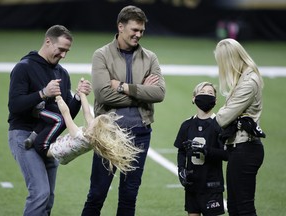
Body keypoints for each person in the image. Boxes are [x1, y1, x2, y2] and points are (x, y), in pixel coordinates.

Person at [81, 5, 166, 216]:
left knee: (129, 195)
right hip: (108, 133)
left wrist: (123, 86)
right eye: (134, 30)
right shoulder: (101, 55)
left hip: (140, 133)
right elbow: (103, 95)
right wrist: (142, 92)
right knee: (97, 194)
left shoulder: (150, 57)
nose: (139, 35)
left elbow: (159, 93)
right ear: (121, 27)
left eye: (142, 31)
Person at [8, 25, 92, 216]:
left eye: (67, 51)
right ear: (48, 41)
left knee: (48, 198)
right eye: (61, 49)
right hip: (23, 135)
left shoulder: (61, 73)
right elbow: (14, 106)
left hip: (48, 139)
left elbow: (66, 114)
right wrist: (43, 93)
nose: (63, 55)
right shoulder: (24, 67)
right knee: (40, 193)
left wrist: (78, 97)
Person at [214, 38, 265, 216]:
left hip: (245, 148)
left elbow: (224, 116)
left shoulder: (248, 82)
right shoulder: (244, 79)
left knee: (243, 208)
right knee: (235, 207)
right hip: (239, 148)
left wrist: (204, 120)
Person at [47, 93, 143, 173]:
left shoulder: (79, 136)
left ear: (95, 129)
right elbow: (87, 113)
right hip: (63, 156)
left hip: (52, 151)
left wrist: (59, 98)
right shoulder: (92, 137)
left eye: (94, 121)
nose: (91, 121)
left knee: (39, 141)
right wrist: (82, 94)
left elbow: (66, 113)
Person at [174, 82, 228, 216]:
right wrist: (181, 169)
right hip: (192, 184)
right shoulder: (187, 125)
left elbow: (227, 154)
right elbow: (181, 150)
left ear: (215, 100)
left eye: (210, 93)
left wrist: (206, 150)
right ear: (194, 98)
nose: (206, 95)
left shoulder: (219, 125)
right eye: (202, 92)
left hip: (212, 185)